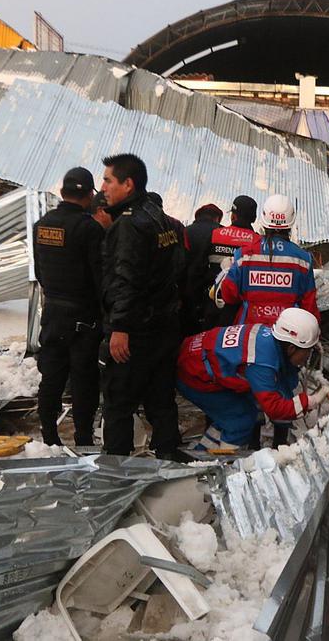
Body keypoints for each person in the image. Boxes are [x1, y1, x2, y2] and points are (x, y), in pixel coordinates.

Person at [99, 153, 183, 459]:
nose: (103, 187)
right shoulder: (159, 216)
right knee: (161, 399)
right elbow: (176, 269)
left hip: (136, 331)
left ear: (128, 184)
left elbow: (126, 278)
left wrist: (120, 327)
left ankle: (117, 472)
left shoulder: (129, 224)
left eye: (108, 180)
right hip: (163, 326)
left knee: (118, 402)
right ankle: (168, 455)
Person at [176, 308, 329, 450]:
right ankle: (216, 463)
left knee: (243, 412)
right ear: (292, 348)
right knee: (241, 420)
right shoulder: (261, 362)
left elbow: (282, 382)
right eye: (307, 352)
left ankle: (211, 450)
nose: (307, 357)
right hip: (194, 376)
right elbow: (274, 408)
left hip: (195, 356)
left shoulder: (271, 338)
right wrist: (314, 399)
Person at [32, 167, 105, 447]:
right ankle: (83, 436)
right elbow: (99, 277)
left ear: (63, 192)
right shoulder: (89, 229)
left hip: (53, 313)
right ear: (89, 195)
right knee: (83, 381)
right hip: (82, 317)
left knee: (51, 376)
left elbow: (39, 270)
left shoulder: (42, 225)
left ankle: (49, 435)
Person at [218, 194, 320, 326]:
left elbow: (228, 296)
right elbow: (309, 308)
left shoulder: (244, 255)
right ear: (291, 221)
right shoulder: (304, 260)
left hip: (249, 332)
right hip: (287, 334)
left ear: (264, 219)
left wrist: (227, 272)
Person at [207, 195, 260, 326]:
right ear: (254, 218)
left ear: (233, 216)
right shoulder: (258, 242)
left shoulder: (215, 234)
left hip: (214, 305)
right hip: (244, 312)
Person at [182, 203, 224, 334]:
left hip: (186, 291)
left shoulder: (184, 231)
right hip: (212, 295)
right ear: (217, 218)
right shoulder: (222, 233)